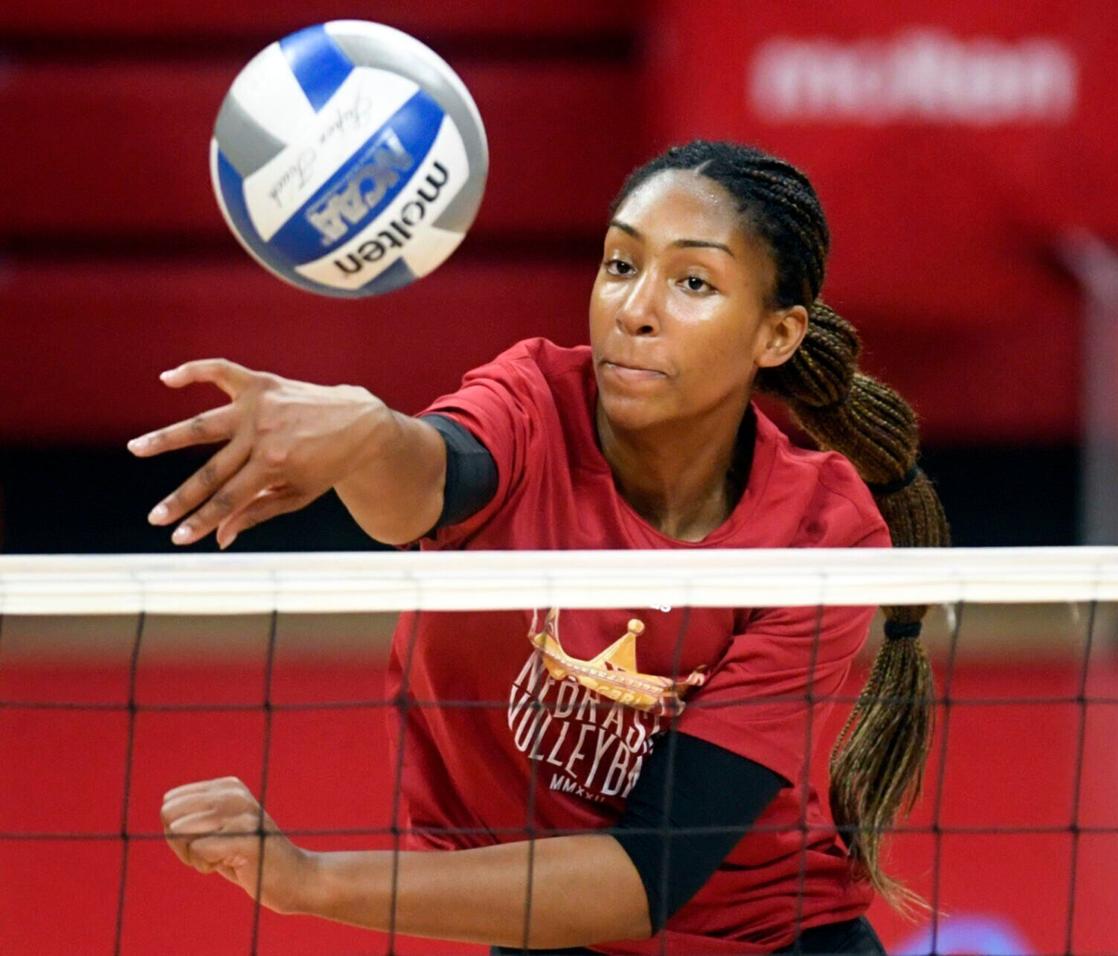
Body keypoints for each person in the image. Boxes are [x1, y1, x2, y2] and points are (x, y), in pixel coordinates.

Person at [135, 140, 950, 955]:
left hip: (762, 942)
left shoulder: (818, 532)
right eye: (621, 264)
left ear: (777, 335)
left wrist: (310, 880)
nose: (636, 308)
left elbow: (645, 879)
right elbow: (430, 480)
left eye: (693, 282)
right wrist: (364, 434)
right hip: (544, 927)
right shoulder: (531, 403)